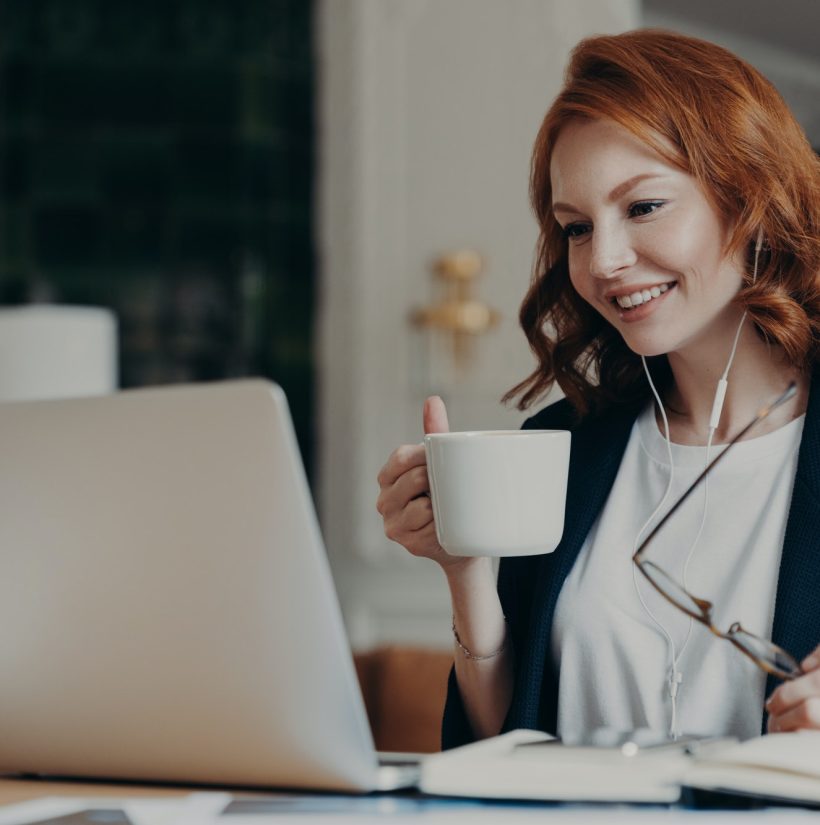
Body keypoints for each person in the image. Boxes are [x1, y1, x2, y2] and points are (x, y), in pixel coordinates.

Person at [376, 29, 820, 748]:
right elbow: (499, 749)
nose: (604, 260)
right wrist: (468, 574)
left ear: (750, 200)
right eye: (576, 227)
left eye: (642, 207)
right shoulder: (559, 449)